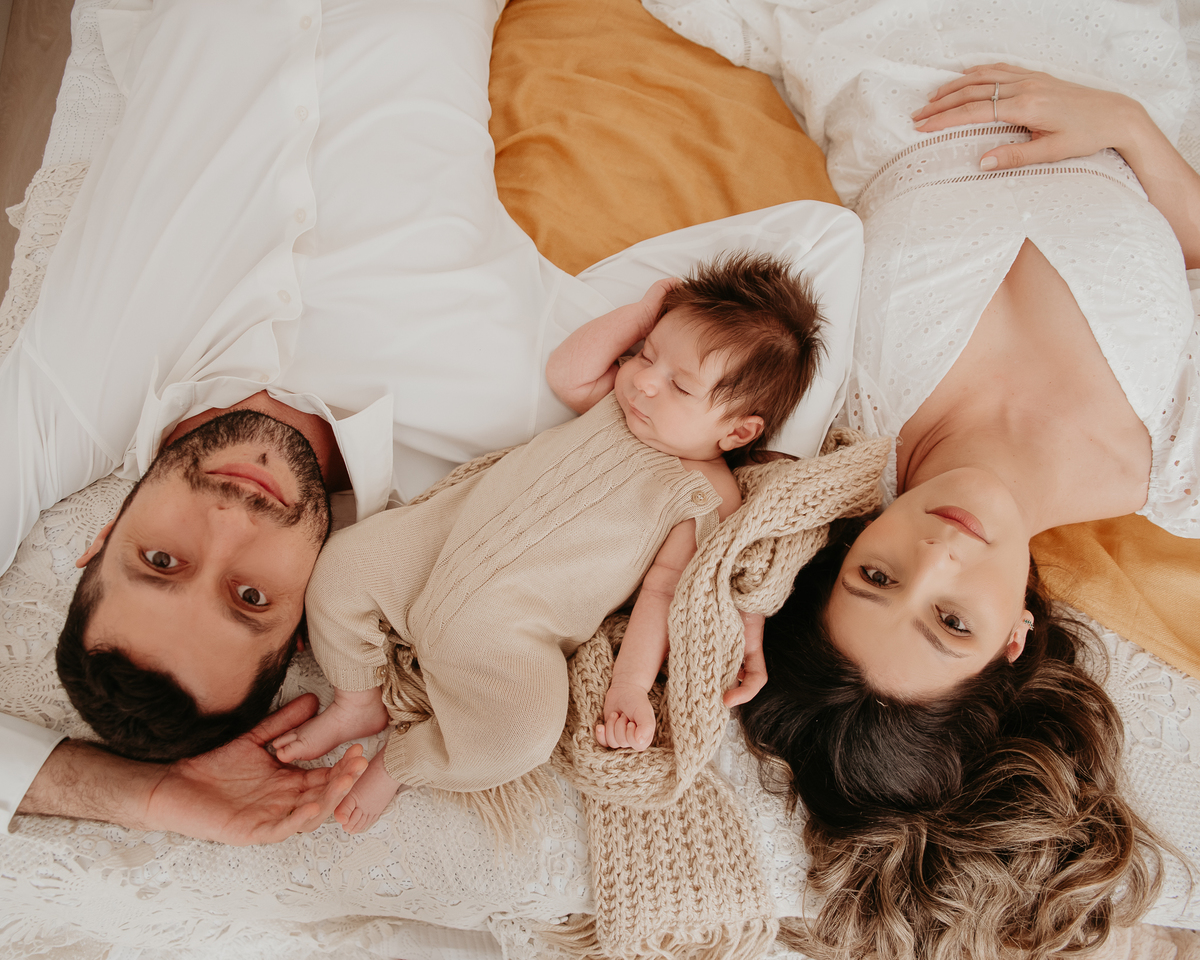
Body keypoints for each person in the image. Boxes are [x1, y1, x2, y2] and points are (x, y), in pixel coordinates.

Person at [2, 0, 864, 835]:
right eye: (251, 595)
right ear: (305, 617)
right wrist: (749, 554)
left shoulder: (70, 397)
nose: (228, 523)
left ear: (101, 534)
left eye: (161, 558)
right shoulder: (515, 411)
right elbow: (821, 248)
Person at [641, 1, 1199, 956]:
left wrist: (735, 579)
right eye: (953, 621)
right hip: (1114, 37)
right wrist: (1130, 131)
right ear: (1018, 640)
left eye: (877, 577)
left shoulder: (839, 415)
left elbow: (696, 468)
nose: (937, 552)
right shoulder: (1179, 469)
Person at [269, 254, 823, 832]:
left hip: (514, 626)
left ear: (738, 431)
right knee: (341, 567)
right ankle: (356, 702)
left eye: (680, 385)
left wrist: (631, 686)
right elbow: (568, 370)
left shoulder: (704, 493)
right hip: (438, 547)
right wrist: (641, 315)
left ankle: (407, 760)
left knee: (524, 734)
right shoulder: (618, 405)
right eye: (645, 355)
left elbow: (666, 592)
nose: (646, 380)